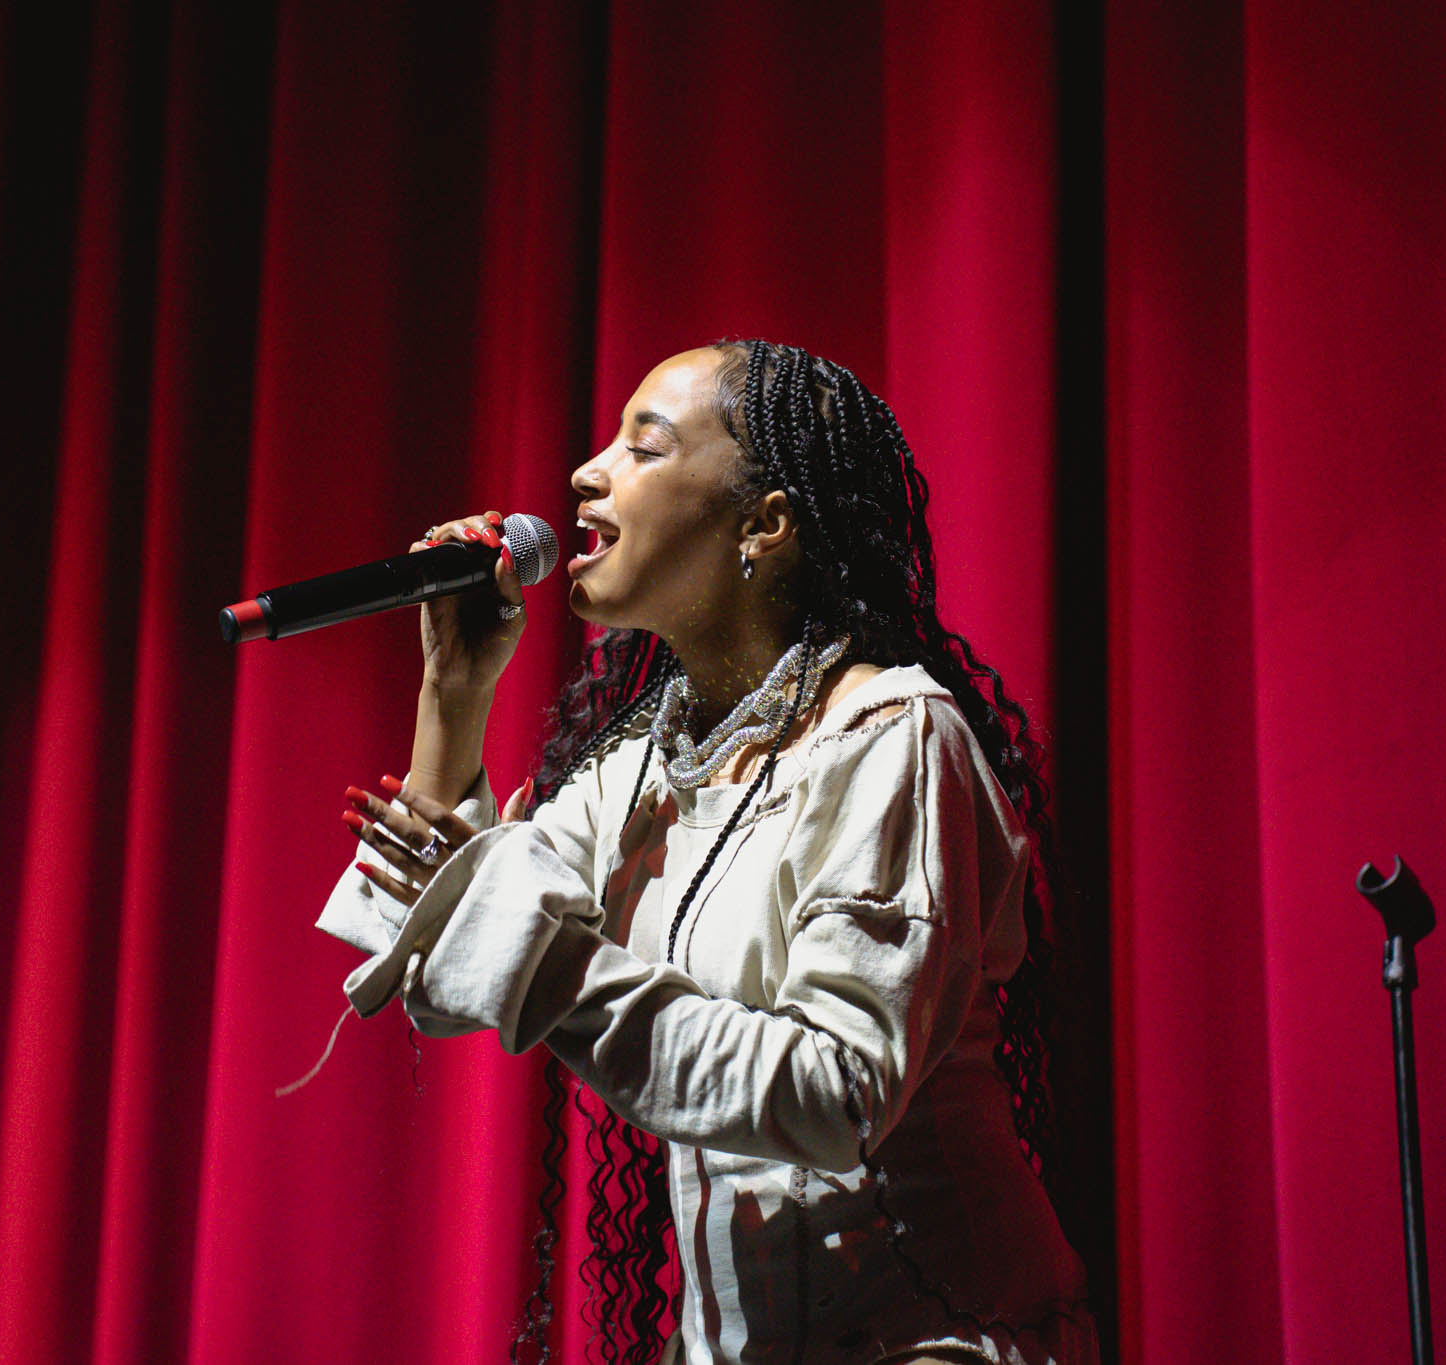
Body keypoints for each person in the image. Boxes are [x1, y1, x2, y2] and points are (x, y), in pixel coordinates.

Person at [316, 340, 1094, 1364]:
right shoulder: (646, 766)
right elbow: (435, 977)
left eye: (642, 447)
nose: (584, 473)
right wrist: (452, 694)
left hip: (940, 1338)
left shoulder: (894, 739)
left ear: (763, 524)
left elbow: (835, 1090)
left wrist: (536, 952)